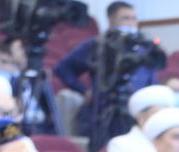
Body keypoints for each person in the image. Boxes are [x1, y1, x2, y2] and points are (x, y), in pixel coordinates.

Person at [53, 1, 157, 138]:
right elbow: (63, 69)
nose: (131, 23)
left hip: (135, 114)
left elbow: (151, 83)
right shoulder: (97, 45)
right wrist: (84, 90)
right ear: (111, 21)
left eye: (134, 18)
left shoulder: (144, 50)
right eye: (125, 18)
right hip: (103, 114)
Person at [104, 84, 176, 152]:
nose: (161, 118)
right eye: (156, 114)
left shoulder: (174, 142)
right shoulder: (120, 144)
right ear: (141, 117)